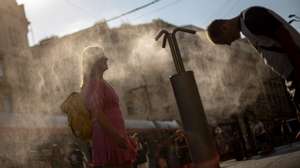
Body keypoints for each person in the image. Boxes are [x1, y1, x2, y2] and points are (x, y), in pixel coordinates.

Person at [207, 6, 300, 118]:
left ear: (224, 27)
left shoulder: (250, 18)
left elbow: (285, 37)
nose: (229, 43)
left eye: (224, 41)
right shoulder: (246, 26)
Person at [81, 46, 137, 168]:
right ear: (94, 61)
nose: (107, 59)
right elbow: (97, 113)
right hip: (108, 138)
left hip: (112, 136)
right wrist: (117, 137)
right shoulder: (94, 83)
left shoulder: (101, 82)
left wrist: (124, 136)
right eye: (103, 57)